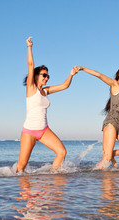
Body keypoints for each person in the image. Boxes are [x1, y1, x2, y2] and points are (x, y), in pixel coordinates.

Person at [17, 37, 79, 173]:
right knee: (21, 166)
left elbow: (64, 86)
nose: (46, 77)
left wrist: (71, 74)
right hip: (30, 131)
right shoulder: (31, 88)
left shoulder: (45, 91)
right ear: (36, 76)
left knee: (62, 152)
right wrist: (29, 47)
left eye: (47, 76)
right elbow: (30, 65)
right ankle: (22, 193)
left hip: (44, 130)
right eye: (44, 75)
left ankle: (52, 178)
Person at [78, 37, 119, 169]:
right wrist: (83, 68)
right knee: (105, 160)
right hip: (111, 124)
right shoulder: (115, 84)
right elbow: (99, 75)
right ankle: (99, 183)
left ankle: (112, 153)